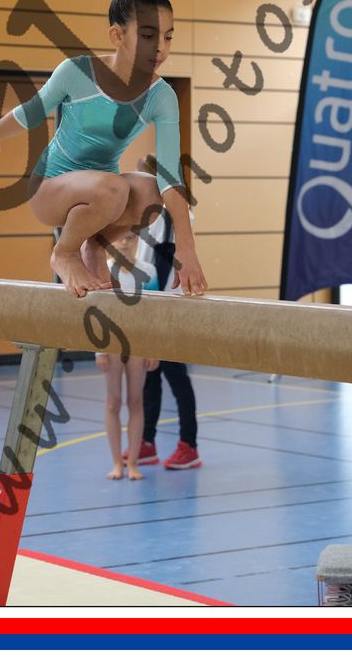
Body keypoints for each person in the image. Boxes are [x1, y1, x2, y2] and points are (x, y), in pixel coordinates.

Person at [0, 0, 207, 299]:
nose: (161, 48)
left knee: (151, 192)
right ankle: (64, 252)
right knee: (113, 188)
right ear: (117, 35)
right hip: (49, 187)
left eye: (167, 37)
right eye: (148, 36)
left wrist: (187, 248)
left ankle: (94, 243)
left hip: (102, 197)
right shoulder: (77, 72)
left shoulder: (161, 96)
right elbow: (31, 112)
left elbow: (170, 176)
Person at [130, 155, 202, 471]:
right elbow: (145, 263)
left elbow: (163, 264)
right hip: (150, 304)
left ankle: (189, 445)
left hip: (168, 308)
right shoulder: (148, 215)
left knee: (175, 375)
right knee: (150, 376)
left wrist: (154, 317)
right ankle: (146, 442)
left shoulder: (175, 213)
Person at [97, 230, 158, 479]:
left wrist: (154, 348)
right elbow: (96, 313)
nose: (124, 242)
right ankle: (116, 463)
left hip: (138, 343)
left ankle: (132, 462)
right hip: (110, 343)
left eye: (130, 237)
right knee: (113, 402)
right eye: (120, 237)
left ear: (138, 241)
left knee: (135, 401)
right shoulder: (103, 270)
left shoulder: (148, 271)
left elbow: (153, 313)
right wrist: (99, 350)